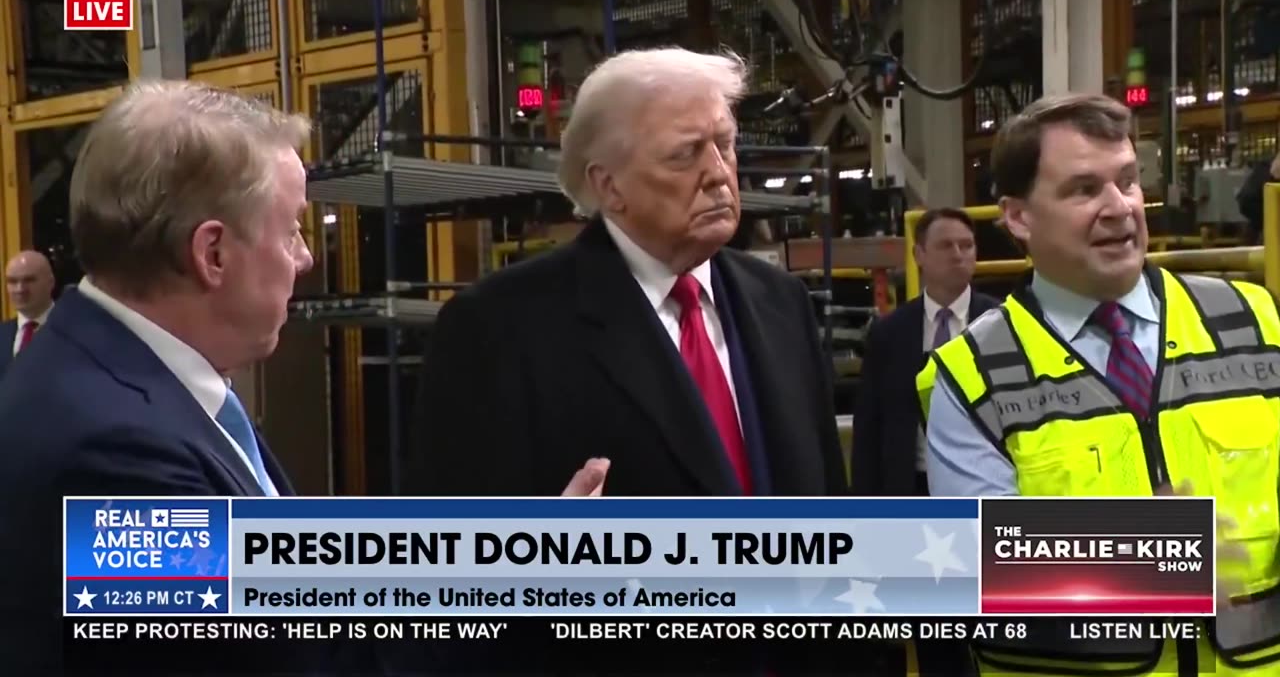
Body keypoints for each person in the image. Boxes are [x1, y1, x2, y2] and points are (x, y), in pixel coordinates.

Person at [0, 81, 609, 676]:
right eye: (292, 227)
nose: (306, 258)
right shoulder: (118, 454)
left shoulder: (117, 380)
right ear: (212, 254)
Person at [407, 48, 850, 672]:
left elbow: (832, 520)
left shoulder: (780, 304)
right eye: (684, 154)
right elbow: (448, 588)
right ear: (607, 185)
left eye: (725, 145)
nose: (720, 174)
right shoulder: (500, 330)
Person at [917, 92, 1280, 675]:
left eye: (1128, 182)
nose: (1121, 208)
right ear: (1018, 217)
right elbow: (982, 564)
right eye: (1085, 189)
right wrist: (1151, 556)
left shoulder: (1250, 321)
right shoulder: (973, 375)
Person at [852, 207, 997, 498]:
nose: (958, 254)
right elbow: (869, 429)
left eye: (966, 245)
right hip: (910, 490)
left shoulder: (1004, 323)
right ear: (919, 255)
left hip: (986, 487)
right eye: (946, 246)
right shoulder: (888, 333)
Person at [0, 249, 56, 377]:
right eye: (12, 281)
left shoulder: (74, 331)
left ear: (51, 282)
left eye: (29, 280)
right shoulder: (2, 334)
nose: (20, 289)